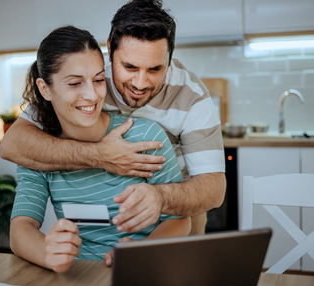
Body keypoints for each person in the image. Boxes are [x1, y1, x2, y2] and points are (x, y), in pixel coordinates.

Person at [1, 0, 226, 235]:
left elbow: (213, 189)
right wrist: (100, 156)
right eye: (129, 67)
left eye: (155, 69)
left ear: (169, 57)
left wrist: (161, 197)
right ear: (110, 50)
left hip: (177, 211)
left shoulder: (193, 97)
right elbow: (12, 144)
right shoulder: (91, 78)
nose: (140, 83)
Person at [10, 26, 191, 273]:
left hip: (143, 273)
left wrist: (144, 249)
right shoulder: (41, 152)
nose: (92, 95)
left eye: (97, 80)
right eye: (75, 83)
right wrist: (49, 253)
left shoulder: (145, 136)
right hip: (79, 277)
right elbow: (21, 229)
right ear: (45, 89)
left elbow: (179, 219)